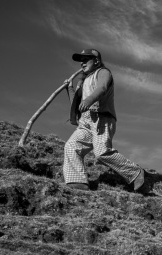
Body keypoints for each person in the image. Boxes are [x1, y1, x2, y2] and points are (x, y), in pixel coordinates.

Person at [63, 48, 154, 193]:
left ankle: (136, 173)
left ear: (97, 61)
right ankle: (77, 182)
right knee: (71, 146)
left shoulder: (103, 72)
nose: (82, 63)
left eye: (86, 59)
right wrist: (70, 88)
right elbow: (78, 104)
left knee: (102, 152)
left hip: (101, 118)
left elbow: (102, 87)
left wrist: (90, 99)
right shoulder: (84, 80)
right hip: (86, 122)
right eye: (81, 61)